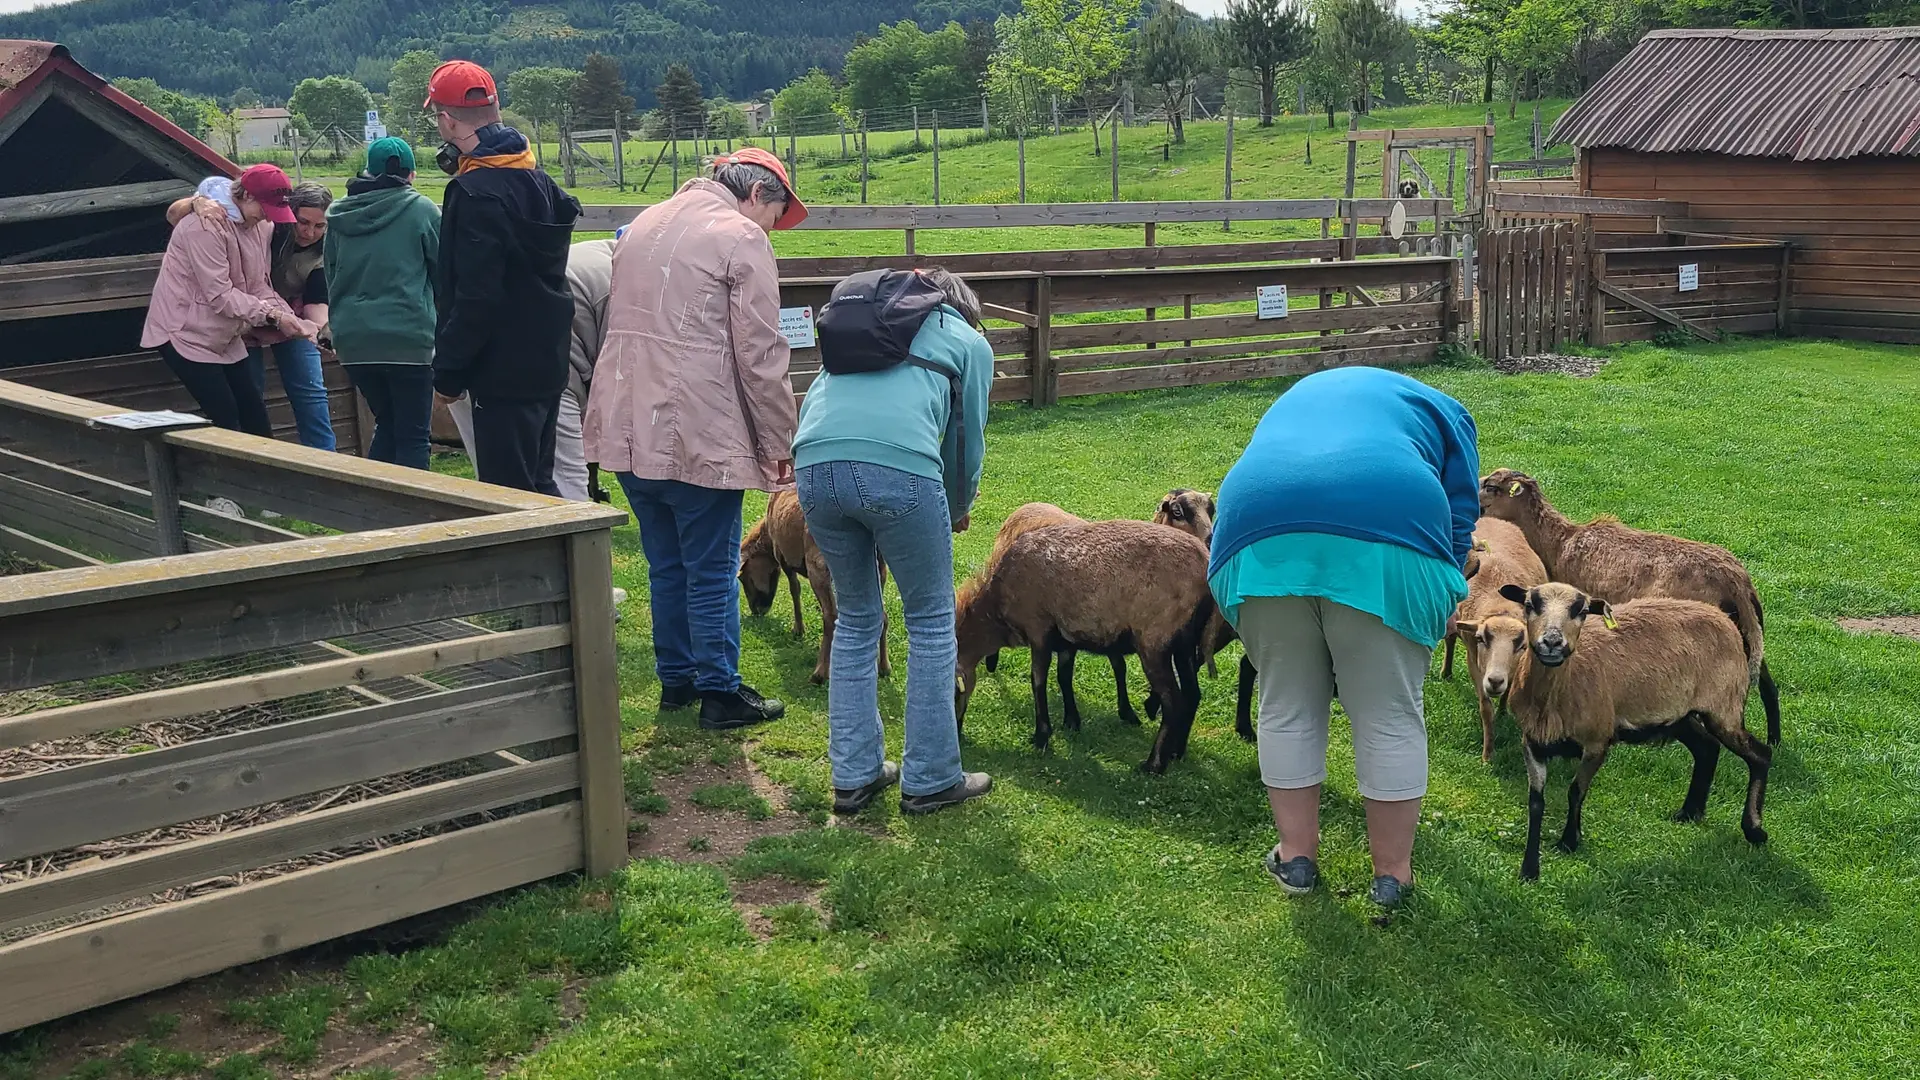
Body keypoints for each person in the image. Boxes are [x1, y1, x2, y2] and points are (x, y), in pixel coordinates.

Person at [1209, 366, 1479, 910]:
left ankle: (1296, 858)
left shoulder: (1297, 394)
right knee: (1389, 713)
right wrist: (1443, 587)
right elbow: (1460, 514)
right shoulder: (1447, 412)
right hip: (1390, 531)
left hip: (1255, 531)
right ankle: (1392, 877)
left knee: (1285, 701)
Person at [583, 148, 805, 730]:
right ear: (757, 194)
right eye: (774, 218)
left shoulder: (644, 222)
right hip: (696, 427)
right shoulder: (741, 237)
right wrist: (779, 441)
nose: (770, 232)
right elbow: (759, 353)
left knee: (666, 563)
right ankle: (719, 691)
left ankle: (676, 680)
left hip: (629, 422)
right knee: (709, 567)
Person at [791, 268, 996, 816]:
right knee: (930, 620)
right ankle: (930, 778)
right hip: (899, 470)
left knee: (857, 618)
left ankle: (853, 775)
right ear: (964, 310)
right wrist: (956, 507)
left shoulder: (859, 329)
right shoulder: (967, 342)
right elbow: (966, 441)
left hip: (813, 467)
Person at [424, 59, 581, 495]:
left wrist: (448, 373)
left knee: (508, 497)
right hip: (548, 361)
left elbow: (476, 295)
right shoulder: (539, 180)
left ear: (446, 120)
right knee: (539, 484)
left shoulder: (474, 193)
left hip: (500, 371)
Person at [142, 166, 316, 436]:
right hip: (183, 334)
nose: (267, 217)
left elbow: (258, 284)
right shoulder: (205, 225)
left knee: (257, 425)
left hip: (225, 336)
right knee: (228, 426)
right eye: (265, 208)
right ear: (247, 195)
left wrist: (292, 320)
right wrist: (274, 317)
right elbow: (220, 296)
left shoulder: (262, 225)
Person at [168, 176, 337, 451]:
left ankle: (327, 462)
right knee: (250, 395)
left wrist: (321, 334)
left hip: (289, 317)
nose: (309, 233)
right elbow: (176, 214)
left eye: (320, 226)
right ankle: (254, 459)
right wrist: (196, 202)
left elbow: (316, 300)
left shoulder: (325, 250)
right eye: (303, 222)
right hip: (242, 318)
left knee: (311, 394)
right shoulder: (264, 224)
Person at [446, 236, 613, 502]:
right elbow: (616, 370)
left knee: (502, 487)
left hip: (474, 358)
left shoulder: (601, 256)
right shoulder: (621, 278)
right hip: (532, 368)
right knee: (563, 485)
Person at [323, 137, 442, 469]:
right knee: (413, 435)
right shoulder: (421, 210)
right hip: (408, 336)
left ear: (367, 171)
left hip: (354, 340)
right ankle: (413, 502)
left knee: (388, 424)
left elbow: (330, 275)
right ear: (411, 174)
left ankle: (374, 498)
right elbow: (445, 274)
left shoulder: (339, 216)